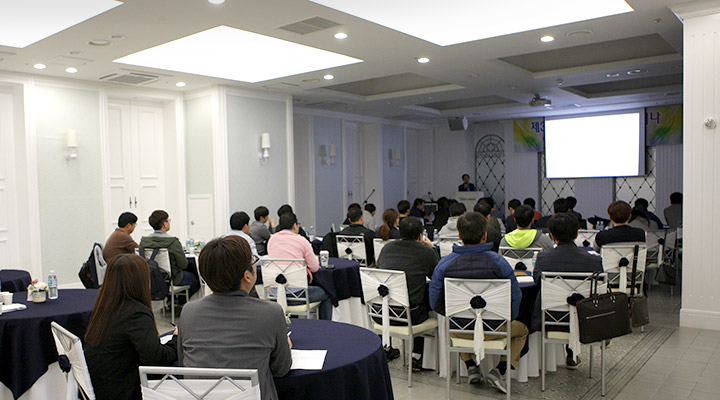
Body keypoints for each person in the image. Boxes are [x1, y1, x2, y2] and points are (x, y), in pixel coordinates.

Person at [178, 236, 292, 400]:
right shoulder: (271, 313)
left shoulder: (189, 312)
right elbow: (281, 369)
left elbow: (184, 364)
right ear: (247, 276)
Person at [428, 213, 527, 393]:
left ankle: (470, 366)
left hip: (460, 330)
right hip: (496, 329)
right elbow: (515, 297)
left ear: (459, 235)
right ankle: (500, 370)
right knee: (523, 331)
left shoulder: (444, 264)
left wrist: (451, 313)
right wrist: (506, 319)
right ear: (485, 235)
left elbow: (435, 301)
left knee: (454, 320)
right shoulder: (499, 262)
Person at [84, 254, 178, 400]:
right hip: (124, 391)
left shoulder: (103, 308)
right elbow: (157, 359)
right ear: (141, 281)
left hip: (102, 387)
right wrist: (176, 338)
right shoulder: (136, 314)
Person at [532, 213, 602, 369]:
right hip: (585, 317)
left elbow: (537, 281)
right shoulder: (594, 260)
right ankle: (572, 354)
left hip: (550, 316)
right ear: (576, 234)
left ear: (552, 236)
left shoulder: (543, 258)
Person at [375, 217, 439, 372]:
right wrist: (432, 247)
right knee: (423, 296)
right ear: (421, 235)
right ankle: (416, 356)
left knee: (403, 295)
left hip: (381, 313)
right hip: (411, 315)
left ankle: (386, 349)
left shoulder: (387, 249)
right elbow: (436, 277)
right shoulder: (426, 252)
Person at [267, 212, 332, 320]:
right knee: (328, 293)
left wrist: (303, 268)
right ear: (295, 225)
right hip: (297, 295)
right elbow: (315, 267)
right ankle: (325, 326)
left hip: (274, 294)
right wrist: (305, 267)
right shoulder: (301, 240)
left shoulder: (271, 240)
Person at [139, 210, 199, 297]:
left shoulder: (144, 241)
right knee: (195, 280)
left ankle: (171, 301)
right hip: (173, 278)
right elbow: (183, 264)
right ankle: (180, 302)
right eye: (168, 220)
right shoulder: (173, 241)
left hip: (151, 277)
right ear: (165, 223)